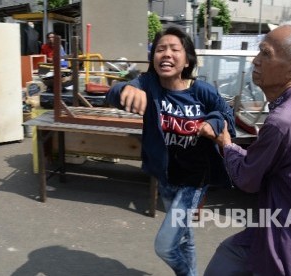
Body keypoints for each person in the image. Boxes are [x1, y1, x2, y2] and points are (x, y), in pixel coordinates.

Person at [202, 21, 291, 276]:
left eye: (266, 54)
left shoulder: (282, 121)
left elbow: (247, 178)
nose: (255, 60)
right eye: (259, 51)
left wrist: (225, 143)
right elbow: (262, 163)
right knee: (227, 258)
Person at [106, 26, 236, 276]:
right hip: (167, 177)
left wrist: (214, 123)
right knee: (184, 237)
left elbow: (227, 114)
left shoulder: (202, 91)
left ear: (186, 59)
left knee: (165, 245)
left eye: (174, 49)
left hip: (194, 180)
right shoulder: (148, 84)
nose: (166, 54)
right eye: (160, 49)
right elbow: (114, 94)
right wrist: (124, 89)